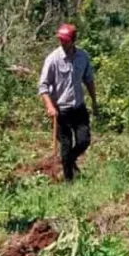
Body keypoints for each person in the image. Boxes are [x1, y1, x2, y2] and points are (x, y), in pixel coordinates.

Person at [38, 23, 98, 182]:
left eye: (65, 40)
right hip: (61, 110)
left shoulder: (82, 57)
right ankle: (69, 182)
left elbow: (89, 80)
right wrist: (50, 106)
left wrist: (94, 101)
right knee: (65, 145)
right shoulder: (52, 59)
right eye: (60, 40)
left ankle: (69, 161)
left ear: (73, 41)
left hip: (78, 107)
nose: (62, 43)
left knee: (84, 141)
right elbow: (43, 86)